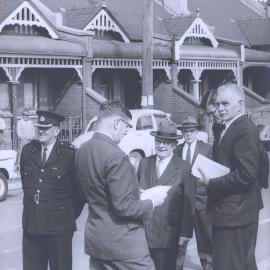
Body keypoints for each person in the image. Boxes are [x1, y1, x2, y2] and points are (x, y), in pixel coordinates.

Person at [75, 104, 168, 270]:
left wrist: (132, 190)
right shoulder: (116, 156)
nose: (127, 132)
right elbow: (125, 207)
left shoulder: (82, 151)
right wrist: (153, 202)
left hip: (97, 241)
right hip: (124, 244)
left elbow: (93, 190)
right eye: (127, 126)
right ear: (117, 123)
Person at [198, 83, 264, 270]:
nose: (220, 109)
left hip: (235, 215)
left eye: (225, 104)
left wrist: (212, 182)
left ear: (240, 104)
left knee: (230, 265)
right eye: (218, 104)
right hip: (234, 212)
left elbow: (246, 174)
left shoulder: (243, 129)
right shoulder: (229, 127)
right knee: (241, 264)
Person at [20, 110, 84, 270]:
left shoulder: (69, 155)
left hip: (59, 229)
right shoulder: (28, 152)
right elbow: (27, 185)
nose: (41, 131)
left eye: (46, 128)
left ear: (56, 131)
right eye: (39, 127)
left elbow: (79, 193)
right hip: (32, 226)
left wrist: (65, 215)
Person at [137, 122, 195, 270]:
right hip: (143, 235)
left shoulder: (183, 167)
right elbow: (134, 193)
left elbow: (188, 203)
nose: (161, 145)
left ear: (174, 145)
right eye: (158, 141)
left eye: (166, 143)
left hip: (169, 236)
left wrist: (185, 233)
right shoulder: (144, 163)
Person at [175, 116, 212, 270]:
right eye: (185, 131)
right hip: (183, 203)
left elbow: (211, 175)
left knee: (205, 237)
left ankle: (208, 265)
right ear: (182, 133)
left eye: (191, 131)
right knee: (180, 238)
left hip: (201, 201)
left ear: (197, 132)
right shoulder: (177, 150)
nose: (188, 134)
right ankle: (177, 266)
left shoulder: (207, 149)